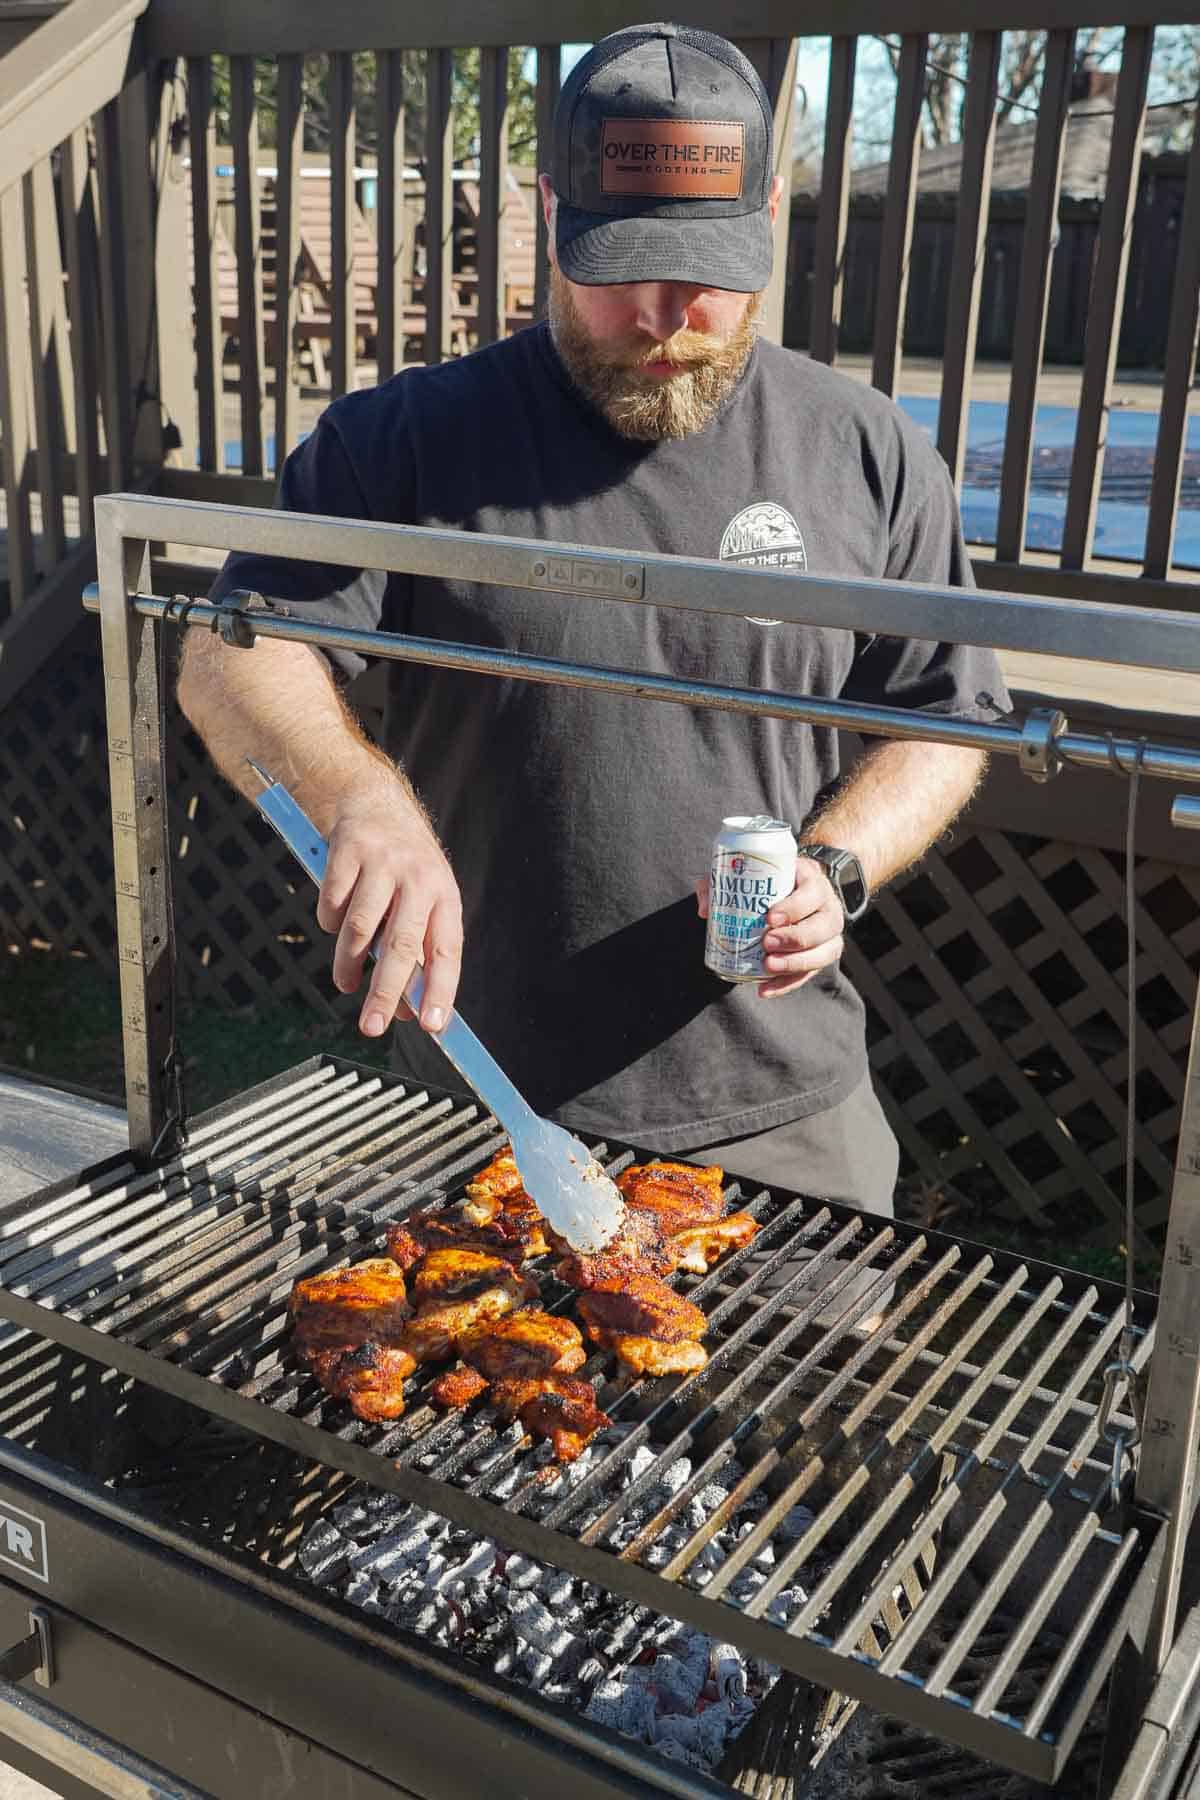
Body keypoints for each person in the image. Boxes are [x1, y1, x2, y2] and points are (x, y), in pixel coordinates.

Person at [178, 23, 1010, 1285]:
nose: (666, 317)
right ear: (553, 210)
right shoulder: (401, 442)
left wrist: (838, 871)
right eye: (622, 269)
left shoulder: (868, 453)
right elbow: (229, 658)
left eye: (707, 274)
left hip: (784, 1112)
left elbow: (943, 718)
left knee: (805, 1461)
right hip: (474, 1100)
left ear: (769, 215)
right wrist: (358, 797)